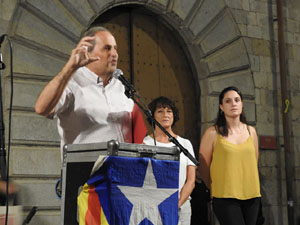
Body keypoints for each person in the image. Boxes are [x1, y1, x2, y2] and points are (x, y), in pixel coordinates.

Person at [35, 26, 146, 160]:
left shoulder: (121, 85)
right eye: (107, 48)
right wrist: (70, 67)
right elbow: (41, 109)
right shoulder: (71, 82)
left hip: (121, 172)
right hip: (84, 174)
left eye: (115, 48)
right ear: (88, 52)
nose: (114, 54)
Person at [198, 86, 261, 225]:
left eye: (237, 100)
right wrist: (215, 187)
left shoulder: (252, 132)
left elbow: (253, 162)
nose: (233, 104)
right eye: (228, 101)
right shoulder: (212, 133)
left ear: (242, 104)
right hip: (225, 196)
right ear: (221, 106)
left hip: (252, 195)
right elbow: (203, 167)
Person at [142, 96, 196, 225]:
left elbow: (191, 180)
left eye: (169, 111)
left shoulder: (184, 143)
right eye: (160, 111)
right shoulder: (145, 143)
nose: (165, 115)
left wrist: (177, 204)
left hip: (181, 207)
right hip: (153, 206)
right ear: (152, 115)